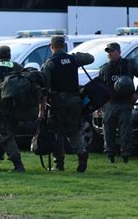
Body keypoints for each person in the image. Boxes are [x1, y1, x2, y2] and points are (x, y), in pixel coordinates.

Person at [41, 35, 94, 172]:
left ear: (51, 47)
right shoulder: (73, 59)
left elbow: (44, 87)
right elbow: (90, 58)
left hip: (57, 104)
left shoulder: (50, 63)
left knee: (57, 133)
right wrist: (74, 55)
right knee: (74, 131)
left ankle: (59, 164)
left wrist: (42, 108)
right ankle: (82, 153)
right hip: (75, 102)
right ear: (64, 46)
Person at [98, 42, 138, 164]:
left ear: (119, 52)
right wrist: (99, 104)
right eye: (108, 52)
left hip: (125, 103)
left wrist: (137, 93)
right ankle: (110, 155)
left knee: (126, 132)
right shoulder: (105, 68)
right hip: (109, 104)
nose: (110, 54)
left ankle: (125, 155)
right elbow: (100, 87)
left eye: (112, 51)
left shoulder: (129, 65)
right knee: (108, 131)